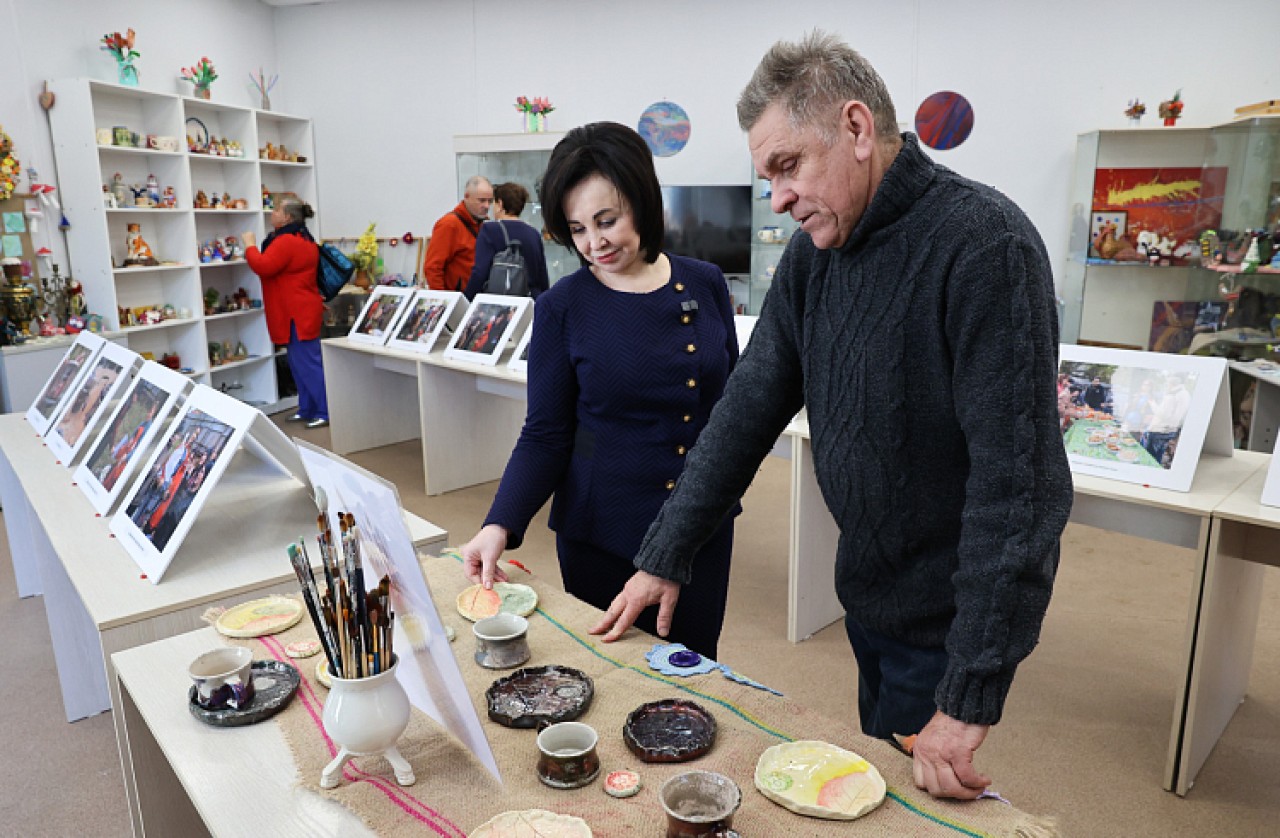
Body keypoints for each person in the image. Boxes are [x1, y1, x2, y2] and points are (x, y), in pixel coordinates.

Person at [587, 32, 1072, 800]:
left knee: (915, 802)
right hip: (868, 599)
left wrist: (968, 693)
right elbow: (747, 408)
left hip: (941, 627)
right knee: (870, 780)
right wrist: (665, 553)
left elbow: (1019, 490)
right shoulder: (815, 255)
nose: (777, 198)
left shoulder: (985, 246)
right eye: (767, 177)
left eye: (788, 166)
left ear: (856, 128)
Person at [459, 122, 740, 659]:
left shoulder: (705, 282)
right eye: (578, 229)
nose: (595, 243)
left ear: (642, 199)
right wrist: (499, 524)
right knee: (611, 671)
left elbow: (728, 413)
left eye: (607, 220)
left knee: (694, 665)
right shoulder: (563, 306)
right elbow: (545, 434)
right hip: (604, 527)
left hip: (698, 525)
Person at [242, 200, 327, 428]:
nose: (273, 212)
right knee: (299, 364)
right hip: (298, 310)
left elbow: (263, 266)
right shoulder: (302, 238)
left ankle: (324, 411)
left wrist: (249, 245)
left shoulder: (286, 241)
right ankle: (307, 408)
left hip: (296, 313)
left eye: (277, 209)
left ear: (287, 217)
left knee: (307, 364)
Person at [464, 182, 550, 300]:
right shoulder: (533, 234)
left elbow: (479, 273)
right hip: (530, 301)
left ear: (500, 204)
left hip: (499, 301)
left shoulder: (490, 230)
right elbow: (542, 277)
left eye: (493, 203)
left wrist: (467, 299)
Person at [423, 175, 493, 292]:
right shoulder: (449, 225)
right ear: (467, 196)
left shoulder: (482, 225)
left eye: (490, 201)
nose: (487, 206)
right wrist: (443, 298)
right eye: (481, 200)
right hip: (457, 297)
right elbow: (433, 267)